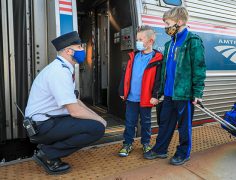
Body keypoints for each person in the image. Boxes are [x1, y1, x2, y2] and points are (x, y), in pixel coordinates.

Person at [25, 31, 107, 175]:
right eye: (80, 47)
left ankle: (48, 150)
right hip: (42, 126)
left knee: (94, 122)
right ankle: (47, 154)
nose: (83, 50)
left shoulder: (63, 68)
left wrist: (96, 115)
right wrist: (99, 120)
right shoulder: (59, 72)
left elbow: (75, 101)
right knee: (97, 128)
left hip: (47, 121)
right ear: (69, 51)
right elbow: (75, 111)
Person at [144, 7, 206, 165]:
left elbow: (199, 68)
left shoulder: (193, 41)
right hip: (169, 93)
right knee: (165, 122)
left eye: (168, 23)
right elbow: (165, 69)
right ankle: (160, 149)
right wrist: (159, 92)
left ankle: (183, 152)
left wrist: (197, 92)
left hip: (184, 93)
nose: (166, 27)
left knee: (184, 126)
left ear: (179, 22)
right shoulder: (169, 44)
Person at [118, 25, 163, 157]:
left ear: (150, 41)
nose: (137, 42)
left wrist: (156, 95)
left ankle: (146, 143)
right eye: (137, 39)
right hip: (131, 98)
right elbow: (126, 75)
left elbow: (159, 80)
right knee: (130, 122)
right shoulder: (134, 56)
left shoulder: (157, 58)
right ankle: (127, 144)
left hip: (146, 98)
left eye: (141, 39)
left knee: (146, 123)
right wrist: (122, 90)